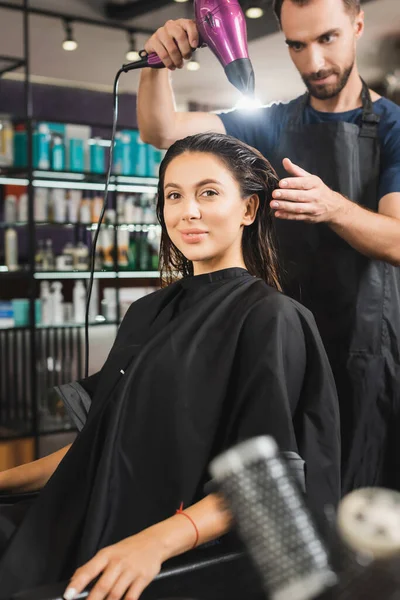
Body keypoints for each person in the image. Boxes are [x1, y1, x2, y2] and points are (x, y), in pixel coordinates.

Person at [0, 133, 340, 600]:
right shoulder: (146, 312)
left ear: (248, 210)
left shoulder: (270, 319)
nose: (188, 211)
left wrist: (152, 544)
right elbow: (100, 443)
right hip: (91, 517)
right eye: (174, 196)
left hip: (176, 549)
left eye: (208, 193)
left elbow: (264, 482)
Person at [137, 0, 400, 494]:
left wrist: (334, 207)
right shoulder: (269, 123)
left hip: (363, 350)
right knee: (277, 484)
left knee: (353, 495)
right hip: (275, 341)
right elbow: (160, 130)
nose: (314, 62)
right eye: (296, 45)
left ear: (357, 25)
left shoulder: (393, 128)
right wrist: (156, 64)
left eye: (327, 39)